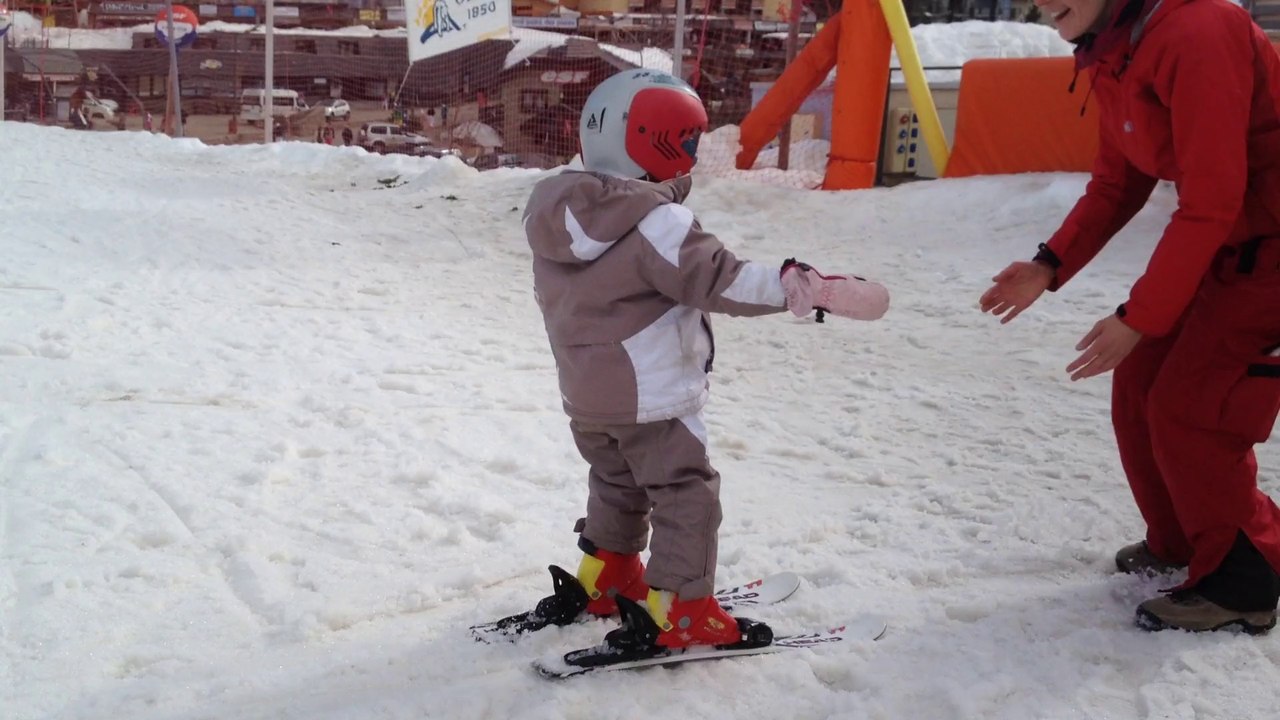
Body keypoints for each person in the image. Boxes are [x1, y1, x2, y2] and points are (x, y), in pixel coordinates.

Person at [521, 69, 890, 652]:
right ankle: (682, 608)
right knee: (686, 492)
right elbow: (722, 281)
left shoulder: (557, 216)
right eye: (686, 142)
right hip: (653, 394)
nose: (690, 156)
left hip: (588, 396)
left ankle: (606, 575)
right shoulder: (654, 222)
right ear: (655, 141)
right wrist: (799, 286)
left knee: (617, 482)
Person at [981, 0, 1280, 634]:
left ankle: (1246, 576)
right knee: (1141, 380)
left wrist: (1138, 316)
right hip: (1233, 241)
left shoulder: (1197, 30)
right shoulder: (1112, 43)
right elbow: (1119, 180)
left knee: (1194, 404)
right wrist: (1048, 263)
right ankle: (1186, 542)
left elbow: (1213, 198)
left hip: (1267, 248)